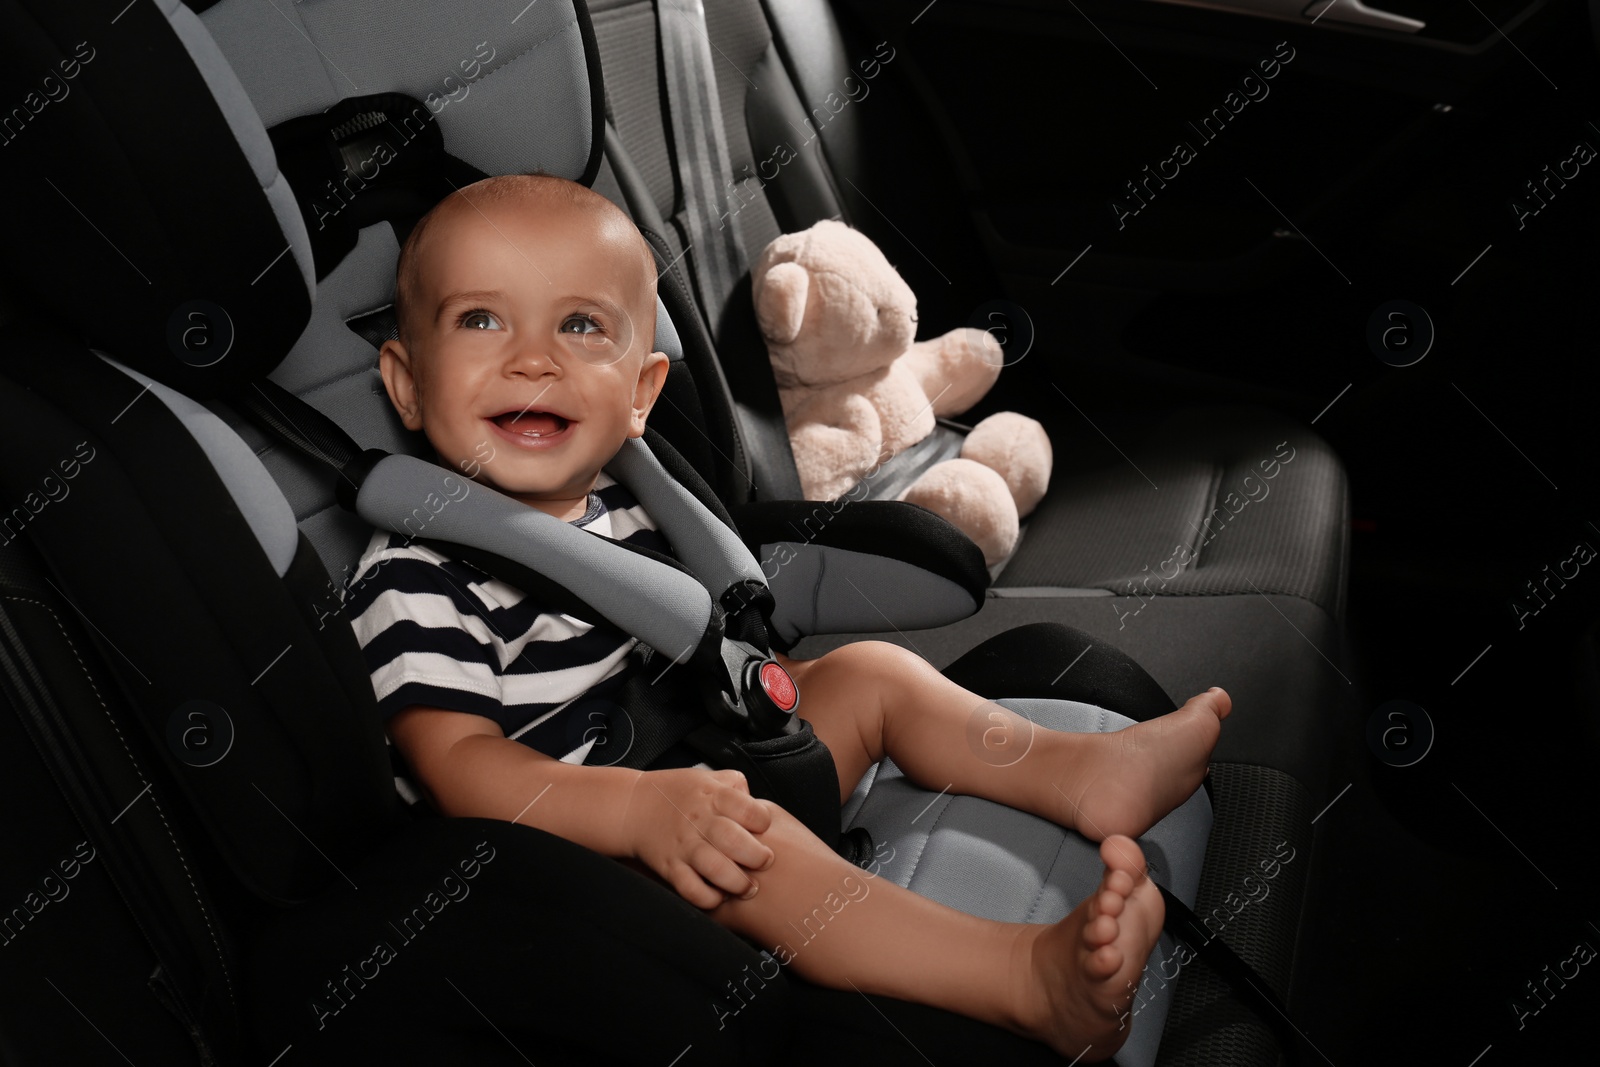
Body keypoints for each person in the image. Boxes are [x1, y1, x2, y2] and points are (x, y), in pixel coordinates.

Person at [343, 172, 1231, 1062]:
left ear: (643, 391)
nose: (533, 359)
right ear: (407, 383)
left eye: (580, 327)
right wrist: (638, 812)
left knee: (869, 673)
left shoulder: (627, 504)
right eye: (480, 321)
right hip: (587, 860)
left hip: (698, 766)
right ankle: (1023, 979)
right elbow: (459, 766)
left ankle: (1083, 772)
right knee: (764, 855)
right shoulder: (416, 572)